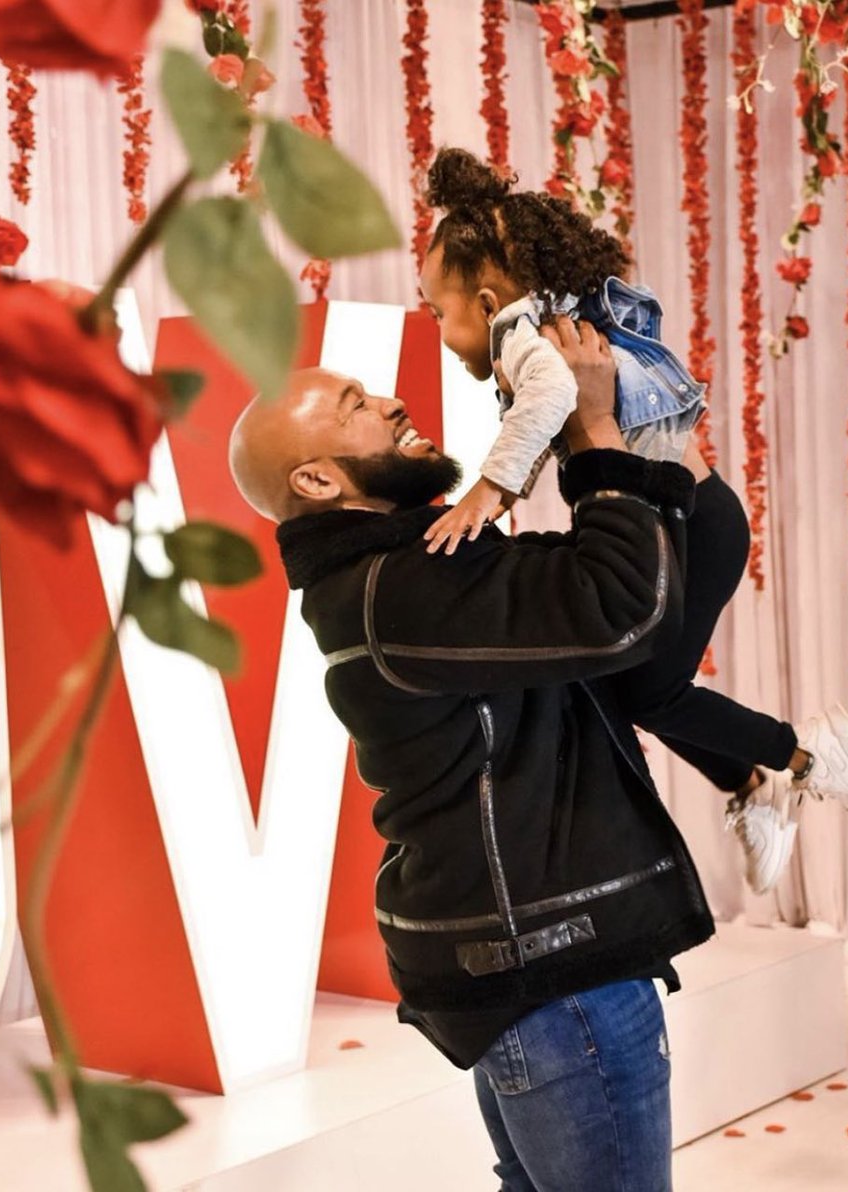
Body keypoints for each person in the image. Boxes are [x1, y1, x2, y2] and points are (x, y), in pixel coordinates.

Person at [230, 339, 711, 1191]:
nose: (390, 403)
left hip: (528, 966)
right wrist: (593, 427)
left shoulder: (398, 572)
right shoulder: (398, 585)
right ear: (316, 480)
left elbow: (586, 592)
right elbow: (622, 608)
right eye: (355, 405)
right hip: (552, 972)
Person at [416, 147, 848, 895]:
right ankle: (754, 784)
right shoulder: (554, 326)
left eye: (439, 311)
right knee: (637, 691)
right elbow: (547, 420)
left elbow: (545, 406)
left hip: (690, 522)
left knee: (650, 693)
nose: (437, 328)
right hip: (689, 518)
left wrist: (489, 492)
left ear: (488, 298)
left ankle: (806, 755)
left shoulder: (522, 336)